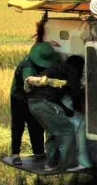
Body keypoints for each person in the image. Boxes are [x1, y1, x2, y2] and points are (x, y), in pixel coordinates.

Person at [24, 42, 74, 172]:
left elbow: (52, 96)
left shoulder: (50, 70)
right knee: (66, 131)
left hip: (33, 104)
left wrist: (66, 110)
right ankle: (65, 166)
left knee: (52, 132)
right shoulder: (71, 71)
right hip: (44, 104)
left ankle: (50, 164)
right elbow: (75, 91)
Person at [9, 42, 53, 165]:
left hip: (33, 98)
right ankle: (15, 154)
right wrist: (44, 81)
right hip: (19, 97)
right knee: (18, 125)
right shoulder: (27, 65)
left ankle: (38, 152)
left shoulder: (44, 64)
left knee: (36, 124)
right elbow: (27, 83)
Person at [61, 55, 91, 171]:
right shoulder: (73, 78)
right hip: (70, 111)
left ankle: (73, 162)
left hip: (66, 110)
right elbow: (75, 96)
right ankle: (82, 162)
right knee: (80, 129)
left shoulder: (62, 75)